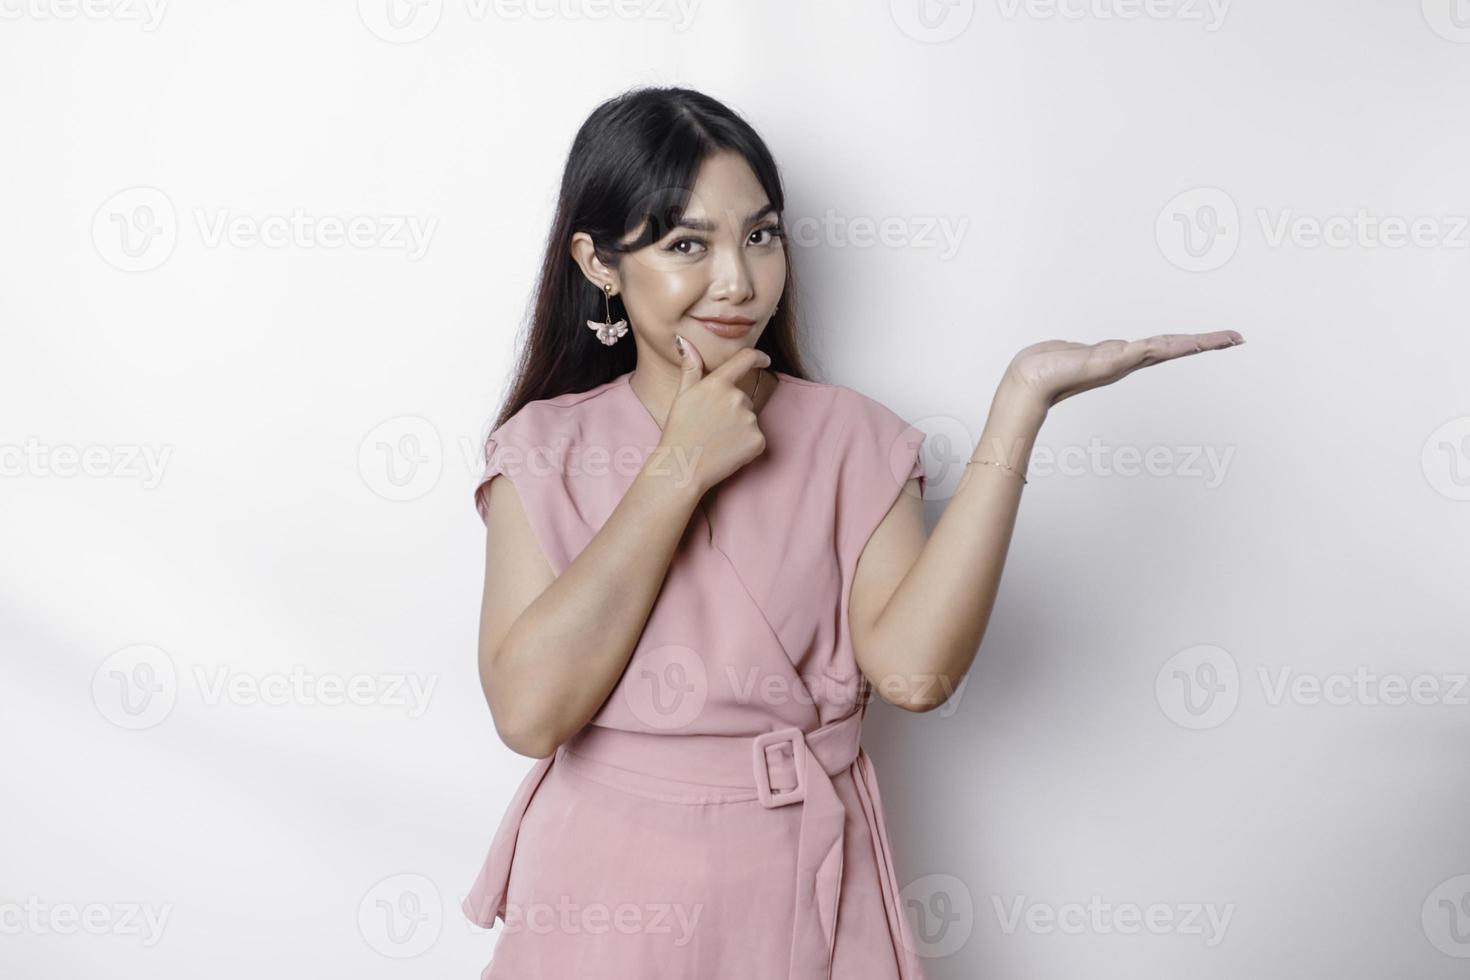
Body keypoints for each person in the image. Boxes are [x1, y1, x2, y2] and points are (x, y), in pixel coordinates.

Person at [461, 86, 1244, 980]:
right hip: (605, 898)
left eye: (760, 235)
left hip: (799, 883)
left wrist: (1021, 402)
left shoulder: (853, 440)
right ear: (598, 263)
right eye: (687, 244)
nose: (739, 281)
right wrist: (679, 469)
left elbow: (914, 673)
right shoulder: (543, 450)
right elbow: (528, 715)